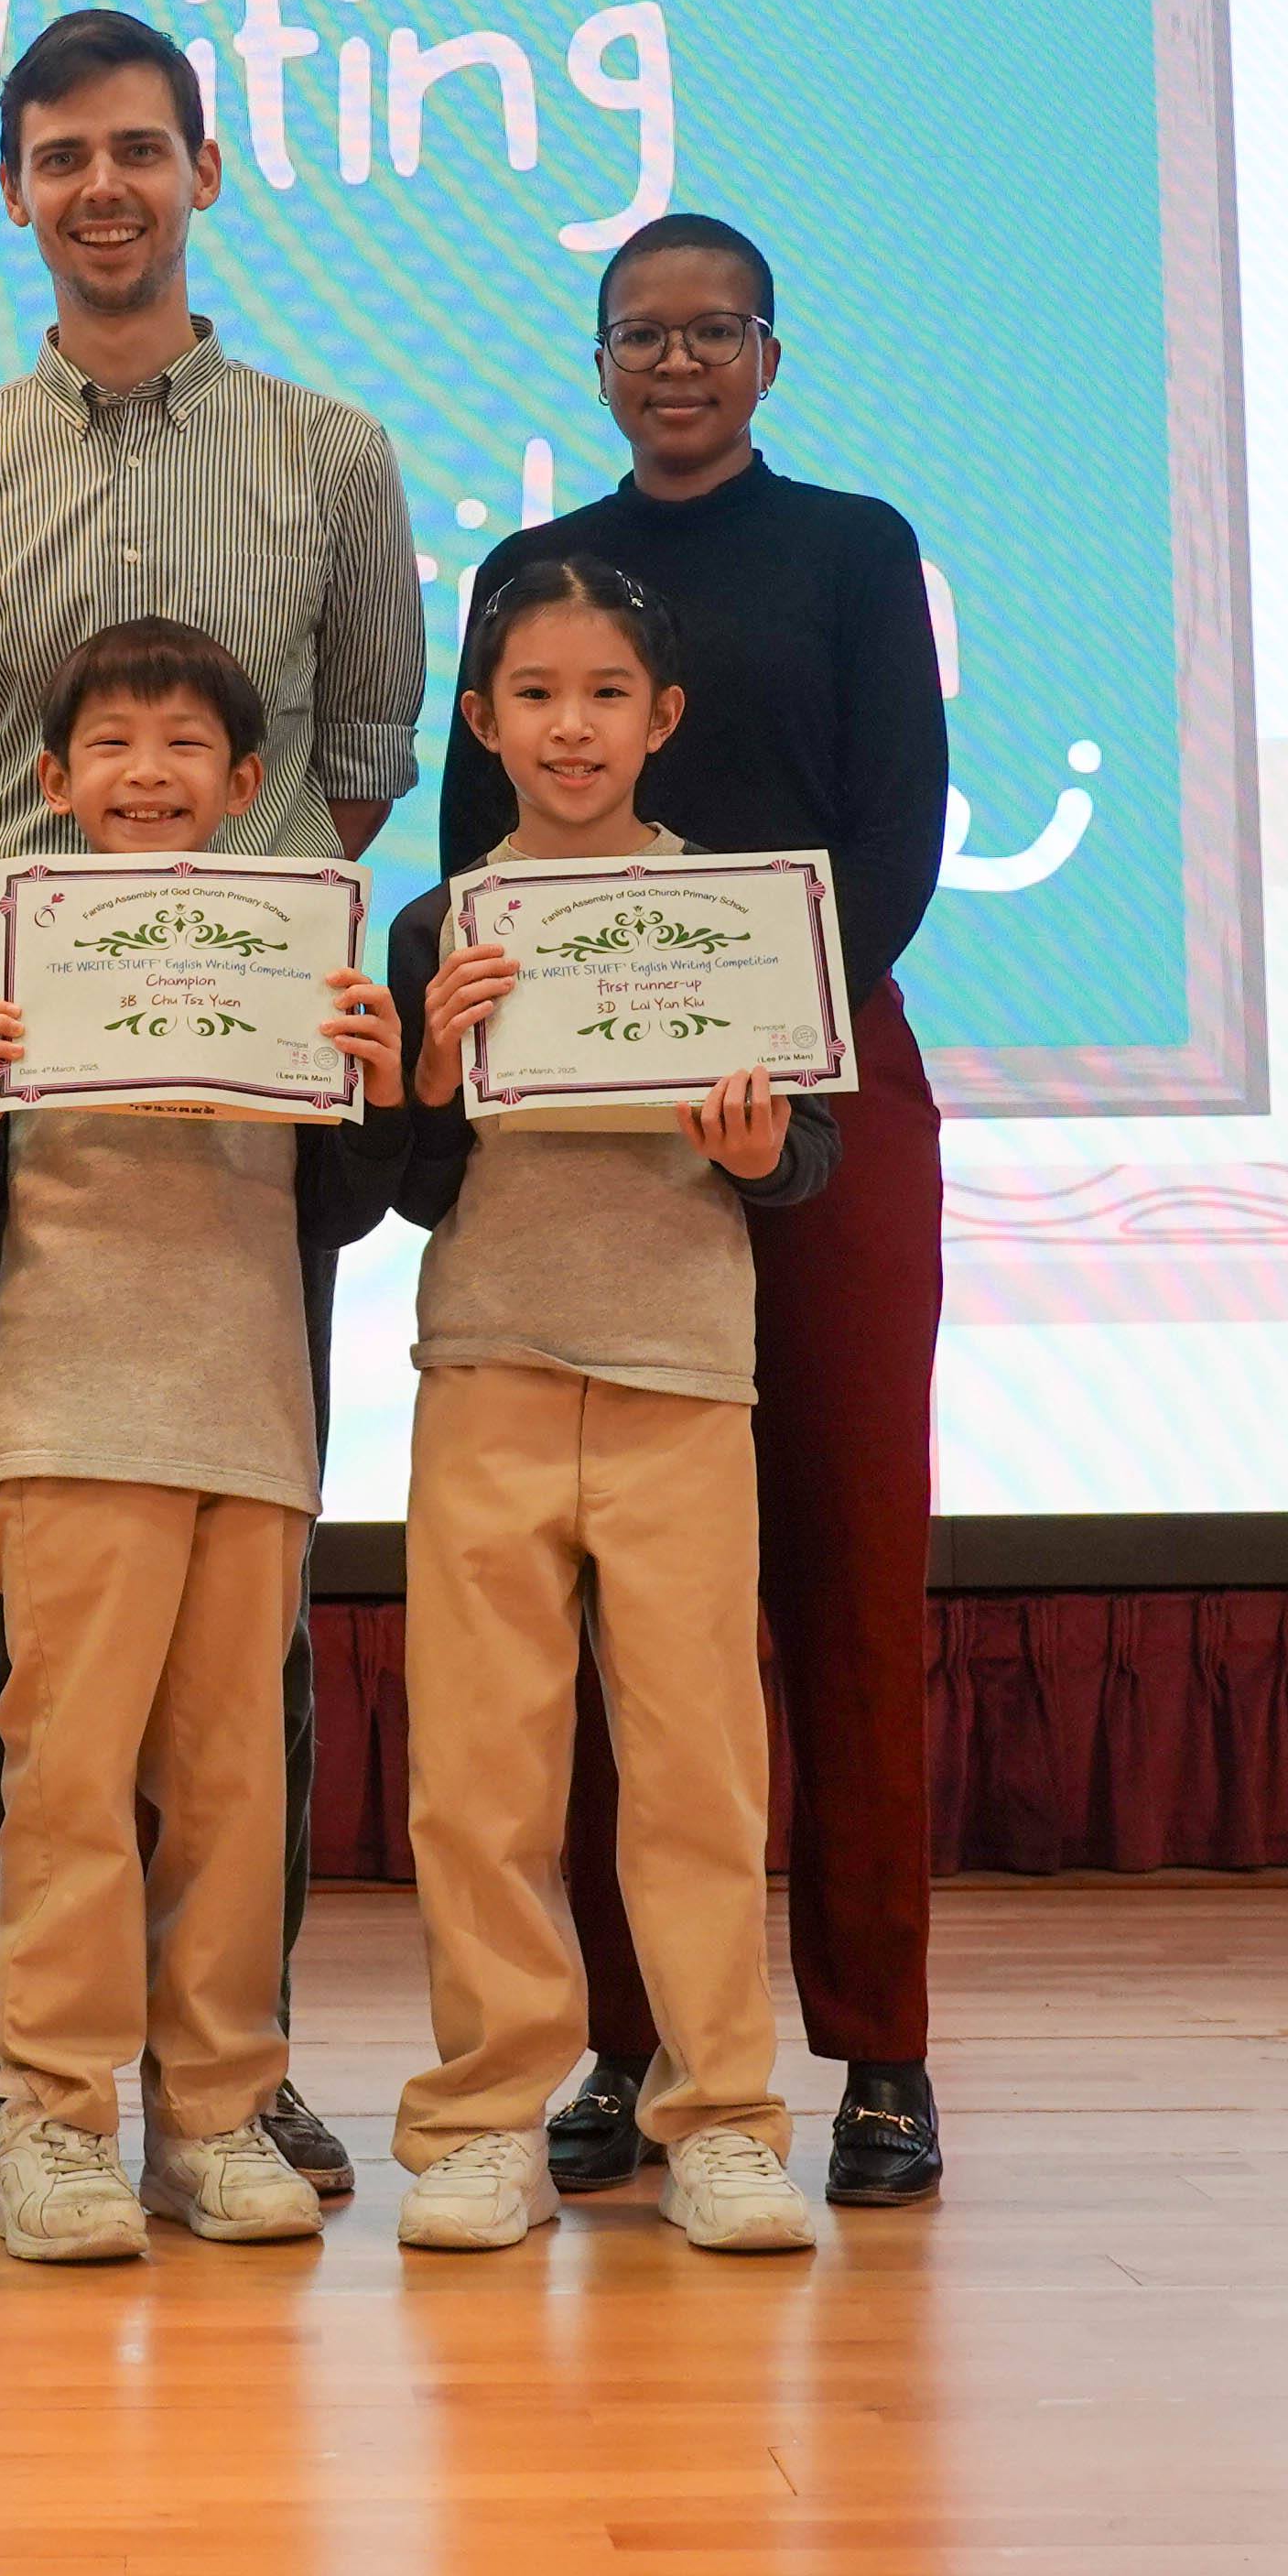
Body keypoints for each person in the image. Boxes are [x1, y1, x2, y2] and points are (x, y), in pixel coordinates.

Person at [0, 9, 427, 2207]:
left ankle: (226, 2070)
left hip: (260, 1059)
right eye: (58, 157)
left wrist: (219, 944)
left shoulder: (329, 457)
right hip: (13, 1043)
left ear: (201, 167)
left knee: (236, 1581)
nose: (100, 188)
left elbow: (357, 747)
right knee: (15, 1583)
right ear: (12, 190)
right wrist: (59, 955)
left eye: (136, 150)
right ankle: (28, 2068)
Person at [438, 212, 956, 2211]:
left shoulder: (852, 548)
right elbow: (475, 866)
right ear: (596, 361)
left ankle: (880, 2052)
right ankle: (627, 2038)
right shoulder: (534, 570)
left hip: (809, 1084)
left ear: (768, 354)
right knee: (603, 1605)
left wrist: (761, 1027)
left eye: (712, 329)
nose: (675, 361)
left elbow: (895, 839)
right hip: (583, 1126)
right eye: (639, 334)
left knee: (845, 1569)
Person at [0, 616, 409, 2262]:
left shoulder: (303, 956)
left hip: (246, 1412)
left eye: (186, 744)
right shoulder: (1, 959)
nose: (148, 772)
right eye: (112, 745)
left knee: (231, 1785)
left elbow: (339, 1210)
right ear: (52, 780)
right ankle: (54, 2119)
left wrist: (374, 1091)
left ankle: (214, 2115)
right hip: (68, 1413)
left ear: (247, 781)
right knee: (63, 1779)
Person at [381, 559, 830, 2259]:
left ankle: (723, 2120)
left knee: (699, 1771)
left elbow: (809, 1156)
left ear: (665, 718)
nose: (572, 728)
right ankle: (485, 2123)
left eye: (607, 695)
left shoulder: (740, 912)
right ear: (482, 723)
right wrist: (431, 1076)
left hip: (681, 1380)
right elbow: (409, 1184)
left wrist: (761, 1151)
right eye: (537, 695)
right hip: (489, 1369)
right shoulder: (439, 926)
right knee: (480, 1779)